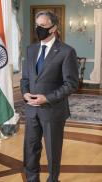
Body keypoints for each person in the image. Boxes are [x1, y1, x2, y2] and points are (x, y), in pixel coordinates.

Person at [21, 10, 79, 182]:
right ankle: (32, 179)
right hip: (31, 110)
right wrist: (25, 93)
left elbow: (71, 84)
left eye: (43, 26)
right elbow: (25, 78)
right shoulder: (31, 49)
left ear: (53, 28)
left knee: (53, 150)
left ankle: (53, 179)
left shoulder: (66, 52)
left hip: (53, 110)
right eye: (37, 25)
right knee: (31, 149)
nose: (39, 29)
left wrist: (47, 98)